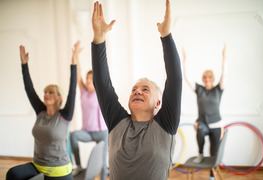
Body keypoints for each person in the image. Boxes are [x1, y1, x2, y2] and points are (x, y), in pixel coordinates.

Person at [91, 0, 182, 179]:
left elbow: (175, 79)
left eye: (145, 89)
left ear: (158, 102)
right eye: (134, 89)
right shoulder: (117, 122)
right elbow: (102, 84)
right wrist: (99, 39)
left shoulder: (166, 123)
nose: (137, 91)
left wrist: (166, 36)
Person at [6, 42, 79, 180]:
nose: (46, 94)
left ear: (59, 98)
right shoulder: (40, 112)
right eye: (45, 92)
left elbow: (73, 90)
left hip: (59, 169)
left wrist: (74, 64)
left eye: (51, 92)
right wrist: (24, 65)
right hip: (38, 165)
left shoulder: (65, 115)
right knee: (13, 174)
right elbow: (29, 89)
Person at [182, 45, 227, 180]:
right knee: (199, 127)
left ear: (213, 79)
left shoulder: (218, 89)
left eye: (209, 77)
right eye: (205, 77)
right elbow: (187, 78)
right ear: (203, 79)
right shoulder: (199, 89)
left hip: (216, 125)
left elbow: (224, 74)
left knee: (214, 154)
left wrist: (224, 58)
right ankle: (200, 154)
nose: (207, 79)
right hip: (203, 123)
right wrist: (185, 61)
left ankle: (212, 176)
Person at [70, 47, 108, 179]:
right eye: (87, 78)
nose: (88, 81)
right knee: (73, 135)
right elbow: (77, 73)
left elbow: (102, 75)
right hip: (87, 132)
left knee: (103, 163)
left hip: (102, 133)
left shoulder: (100, 92)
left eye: (91, 79)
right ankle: (79, 166)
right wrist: (75, 56)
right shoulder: (84, 92)